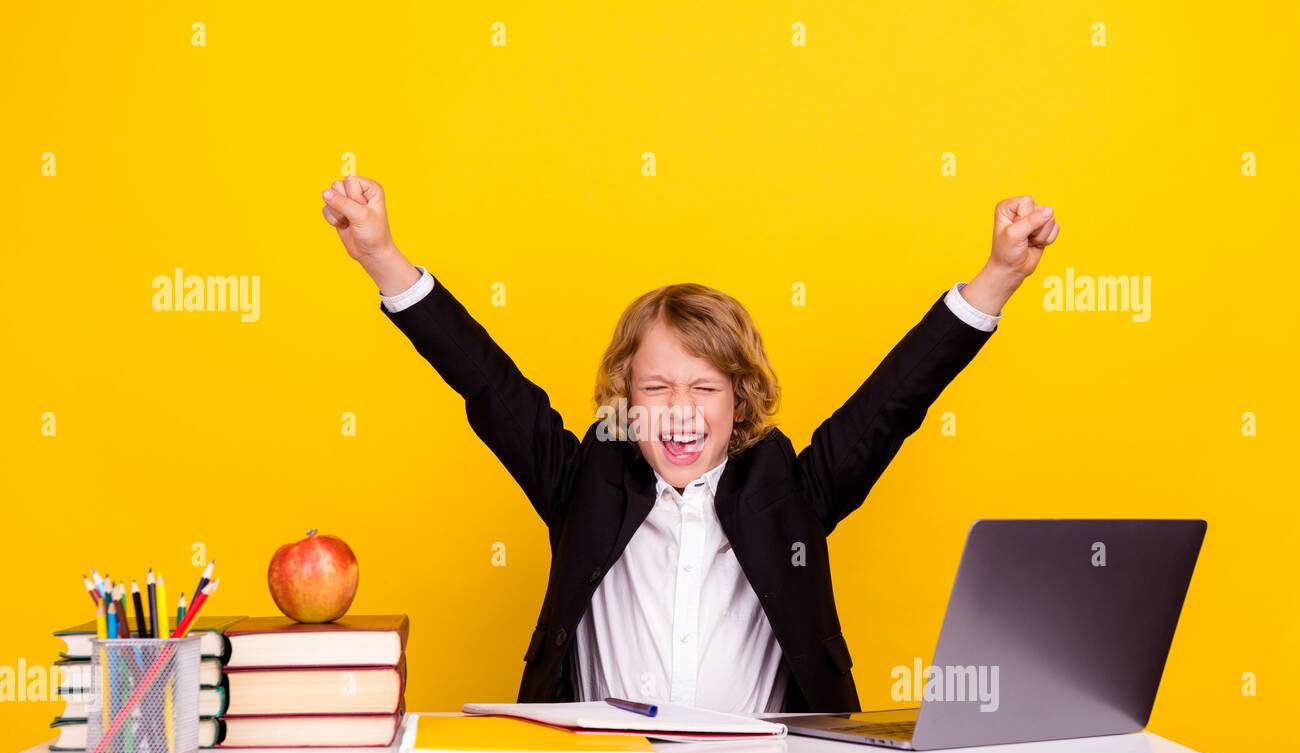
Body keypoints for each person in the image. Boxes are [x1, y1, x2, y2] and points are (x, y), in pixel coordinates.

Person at [321, 177, 1059, 713]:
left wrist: (995, 277)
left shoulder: (788, 490)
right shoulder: (585, 480)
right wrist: (383, 258)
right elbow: (487, 383)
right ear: (624, 396)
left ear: (739, 399)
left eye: (704, 390)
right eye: (655, 389)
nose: (679, 412)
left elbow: (893, 402)